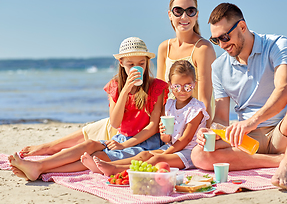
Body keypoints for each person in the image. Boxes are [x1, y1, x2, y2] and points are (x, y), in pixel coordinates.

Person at [190, 3, 287, 191]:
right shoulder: (218, 67)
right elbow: (221, 119)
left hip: (283, 130)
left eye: (225, 37)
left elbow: (285, 89)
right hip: (248, 140)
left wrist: (252, 122)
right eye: (216, 40)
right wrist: (211, 132)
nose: (222, 45)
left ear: (242, 27)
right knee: (198, 154)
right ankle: (277, 161)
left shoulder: (277, 44)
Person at [8, 37, 169, 181]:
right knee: (90, 144)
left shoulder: (157, 87)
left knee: (98, 157)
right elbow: (114, 122)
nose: (137, 67)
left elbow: (152, 126)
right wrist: (125, 91)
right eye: (131, 64)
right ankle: (40, 165)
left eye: (141, 63)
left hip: (145, 143)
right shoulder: (116, 86)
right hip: (121, 138)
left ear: (147, 61)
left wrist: (125, 146)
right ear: (121, 63)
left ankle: (40, 169)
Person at [80, 60, 210, 175]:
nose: (182, 91)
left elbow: (185, 139)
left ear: (195, 84)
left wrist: (165, 153)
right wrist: (164, 134)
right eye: (177, 86)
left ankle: (115, 169)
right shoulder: (169, 105)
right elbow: (166, 138)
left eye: (187, 86)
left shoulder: (196, 109)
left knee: (157, 159)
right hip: (171, 147)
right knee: (145, 154)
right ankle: (113, 166)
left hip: (188, 152)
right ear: (170, 85)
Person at [157, 0, 216, 126]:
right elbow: (159, 95)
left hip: (192, 125)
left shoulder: (203, 48)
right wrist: (159, 125)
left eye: (190, 11)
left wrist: (203, 132)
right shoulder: (164, 48)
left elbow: (204, 99)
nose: (184, 17)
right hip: (169, 123)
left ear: (196, 15)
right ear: (170, 15)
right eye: (178, 11)